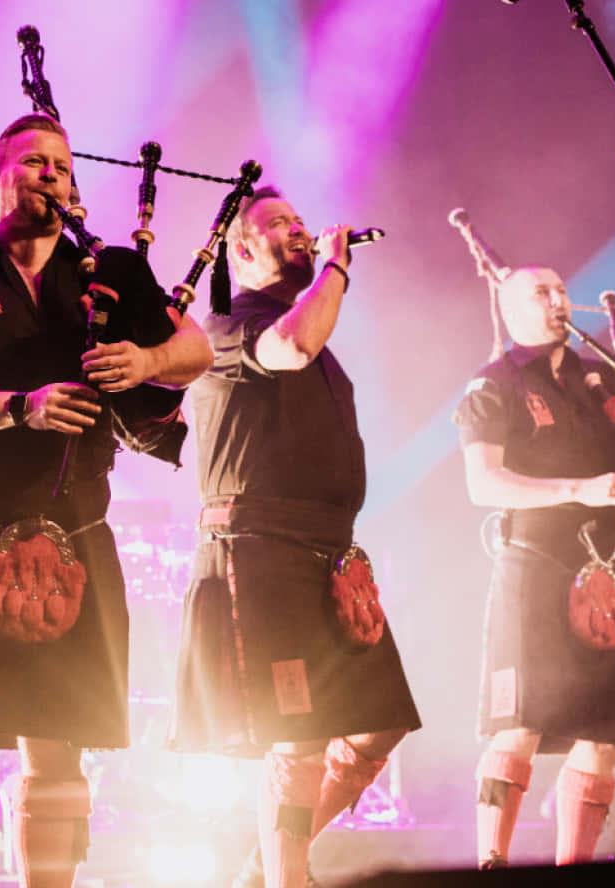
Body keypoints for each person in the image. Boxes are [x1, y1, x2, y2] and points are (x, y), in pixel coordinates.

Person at [0, 113, 212, 888]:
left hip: (76, 525)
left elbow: (195, 351)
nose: (49, 174)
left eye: (61, 164)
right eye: (31, 162)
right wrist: (16, 407)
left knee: (59, 738)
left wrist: (147, 358)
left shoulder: (110, 275)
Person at [169, 187, 420, 888]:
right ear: (241, 251)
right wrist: (336, 268)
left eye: (304, 225)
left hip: (330, 553)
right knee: (300, 730)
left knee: (378, 726)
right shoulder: (223, 328)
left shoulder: (312, 331)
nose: (302, 233)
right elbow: (295, 344)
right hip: (261, 546)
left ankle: (270, 862)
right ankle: (286, 879)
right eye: (280, 224)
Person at [455, 266, 615, 868]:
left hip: (602, 566)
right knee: (521, 723)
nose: (559, 300)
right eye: (541, 293)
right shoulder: (494, 382)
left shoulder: (598, 379)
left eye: (561, 289)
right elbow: (484, 483)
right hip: (532, 565)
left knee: (605, 732)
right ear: (507, 308)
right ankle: (492, 867)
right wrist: (586, 488)